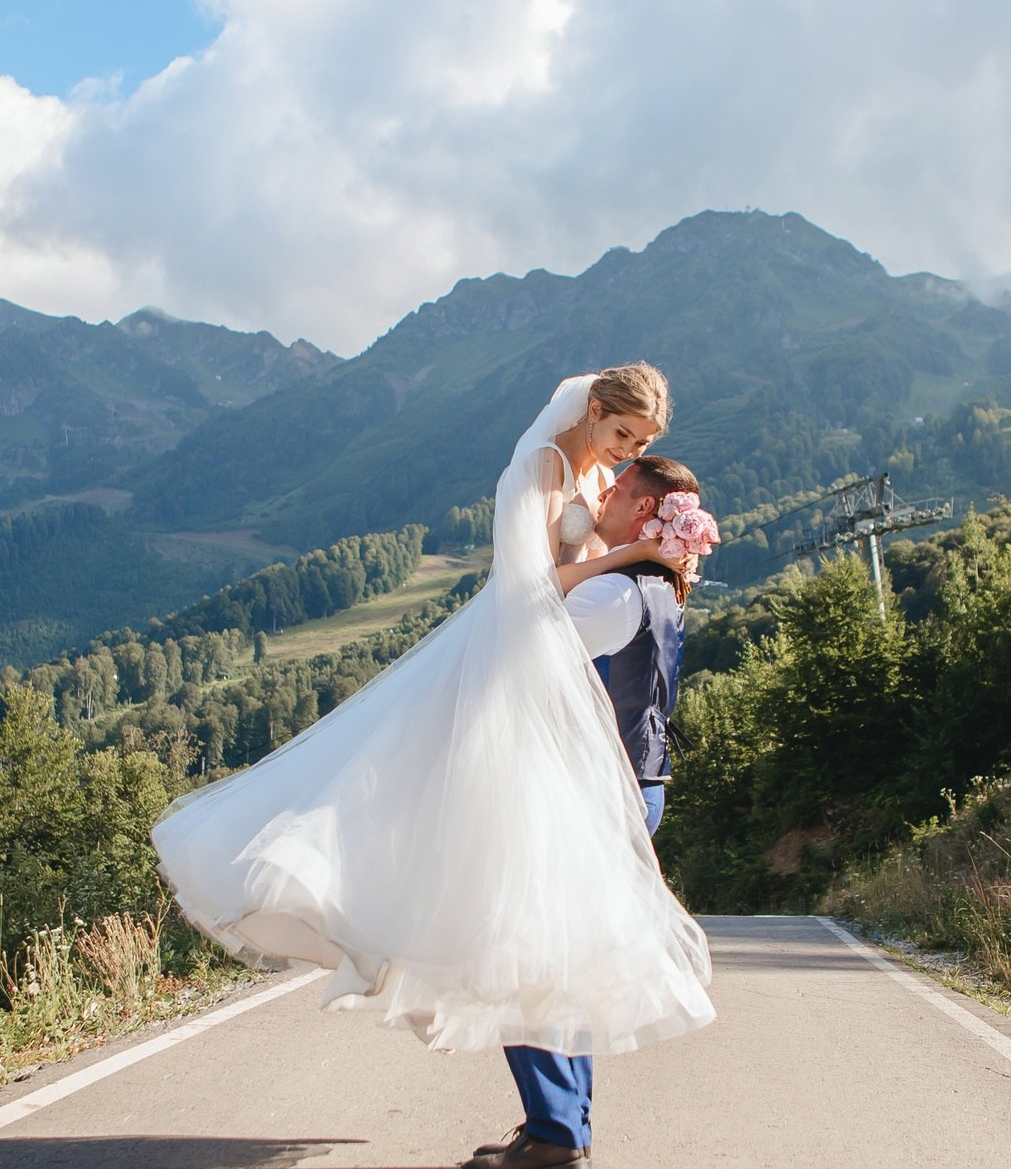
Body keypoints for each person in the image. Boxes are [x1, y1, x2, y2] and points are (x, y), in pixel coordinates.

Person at [151, 364, 715, 1072]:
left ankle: (534, 1070)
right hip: (511, 642)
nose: (626, 453)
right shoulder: (543, 464)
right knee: (432, 825)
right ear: (595, 409)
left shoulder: (605, 479)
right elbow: (533, 585)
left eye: (639, 443)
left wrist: (658, 561)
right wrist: (640, 551)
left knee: (500, 870)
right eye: (621, 433)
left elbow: (601, 558)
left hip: (546, 667)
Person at [463, 453, 700, 1169]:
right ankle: (563, 1123)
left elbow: (526, 635)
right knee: (562, 952)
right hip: (638, 781)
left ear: (641, 511)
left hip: (602, 790)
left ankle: (556, 1125)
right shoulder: (656, 589)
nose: (605, 489)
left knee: (521, 942)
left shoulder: (616, 595)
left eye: (620, 486)